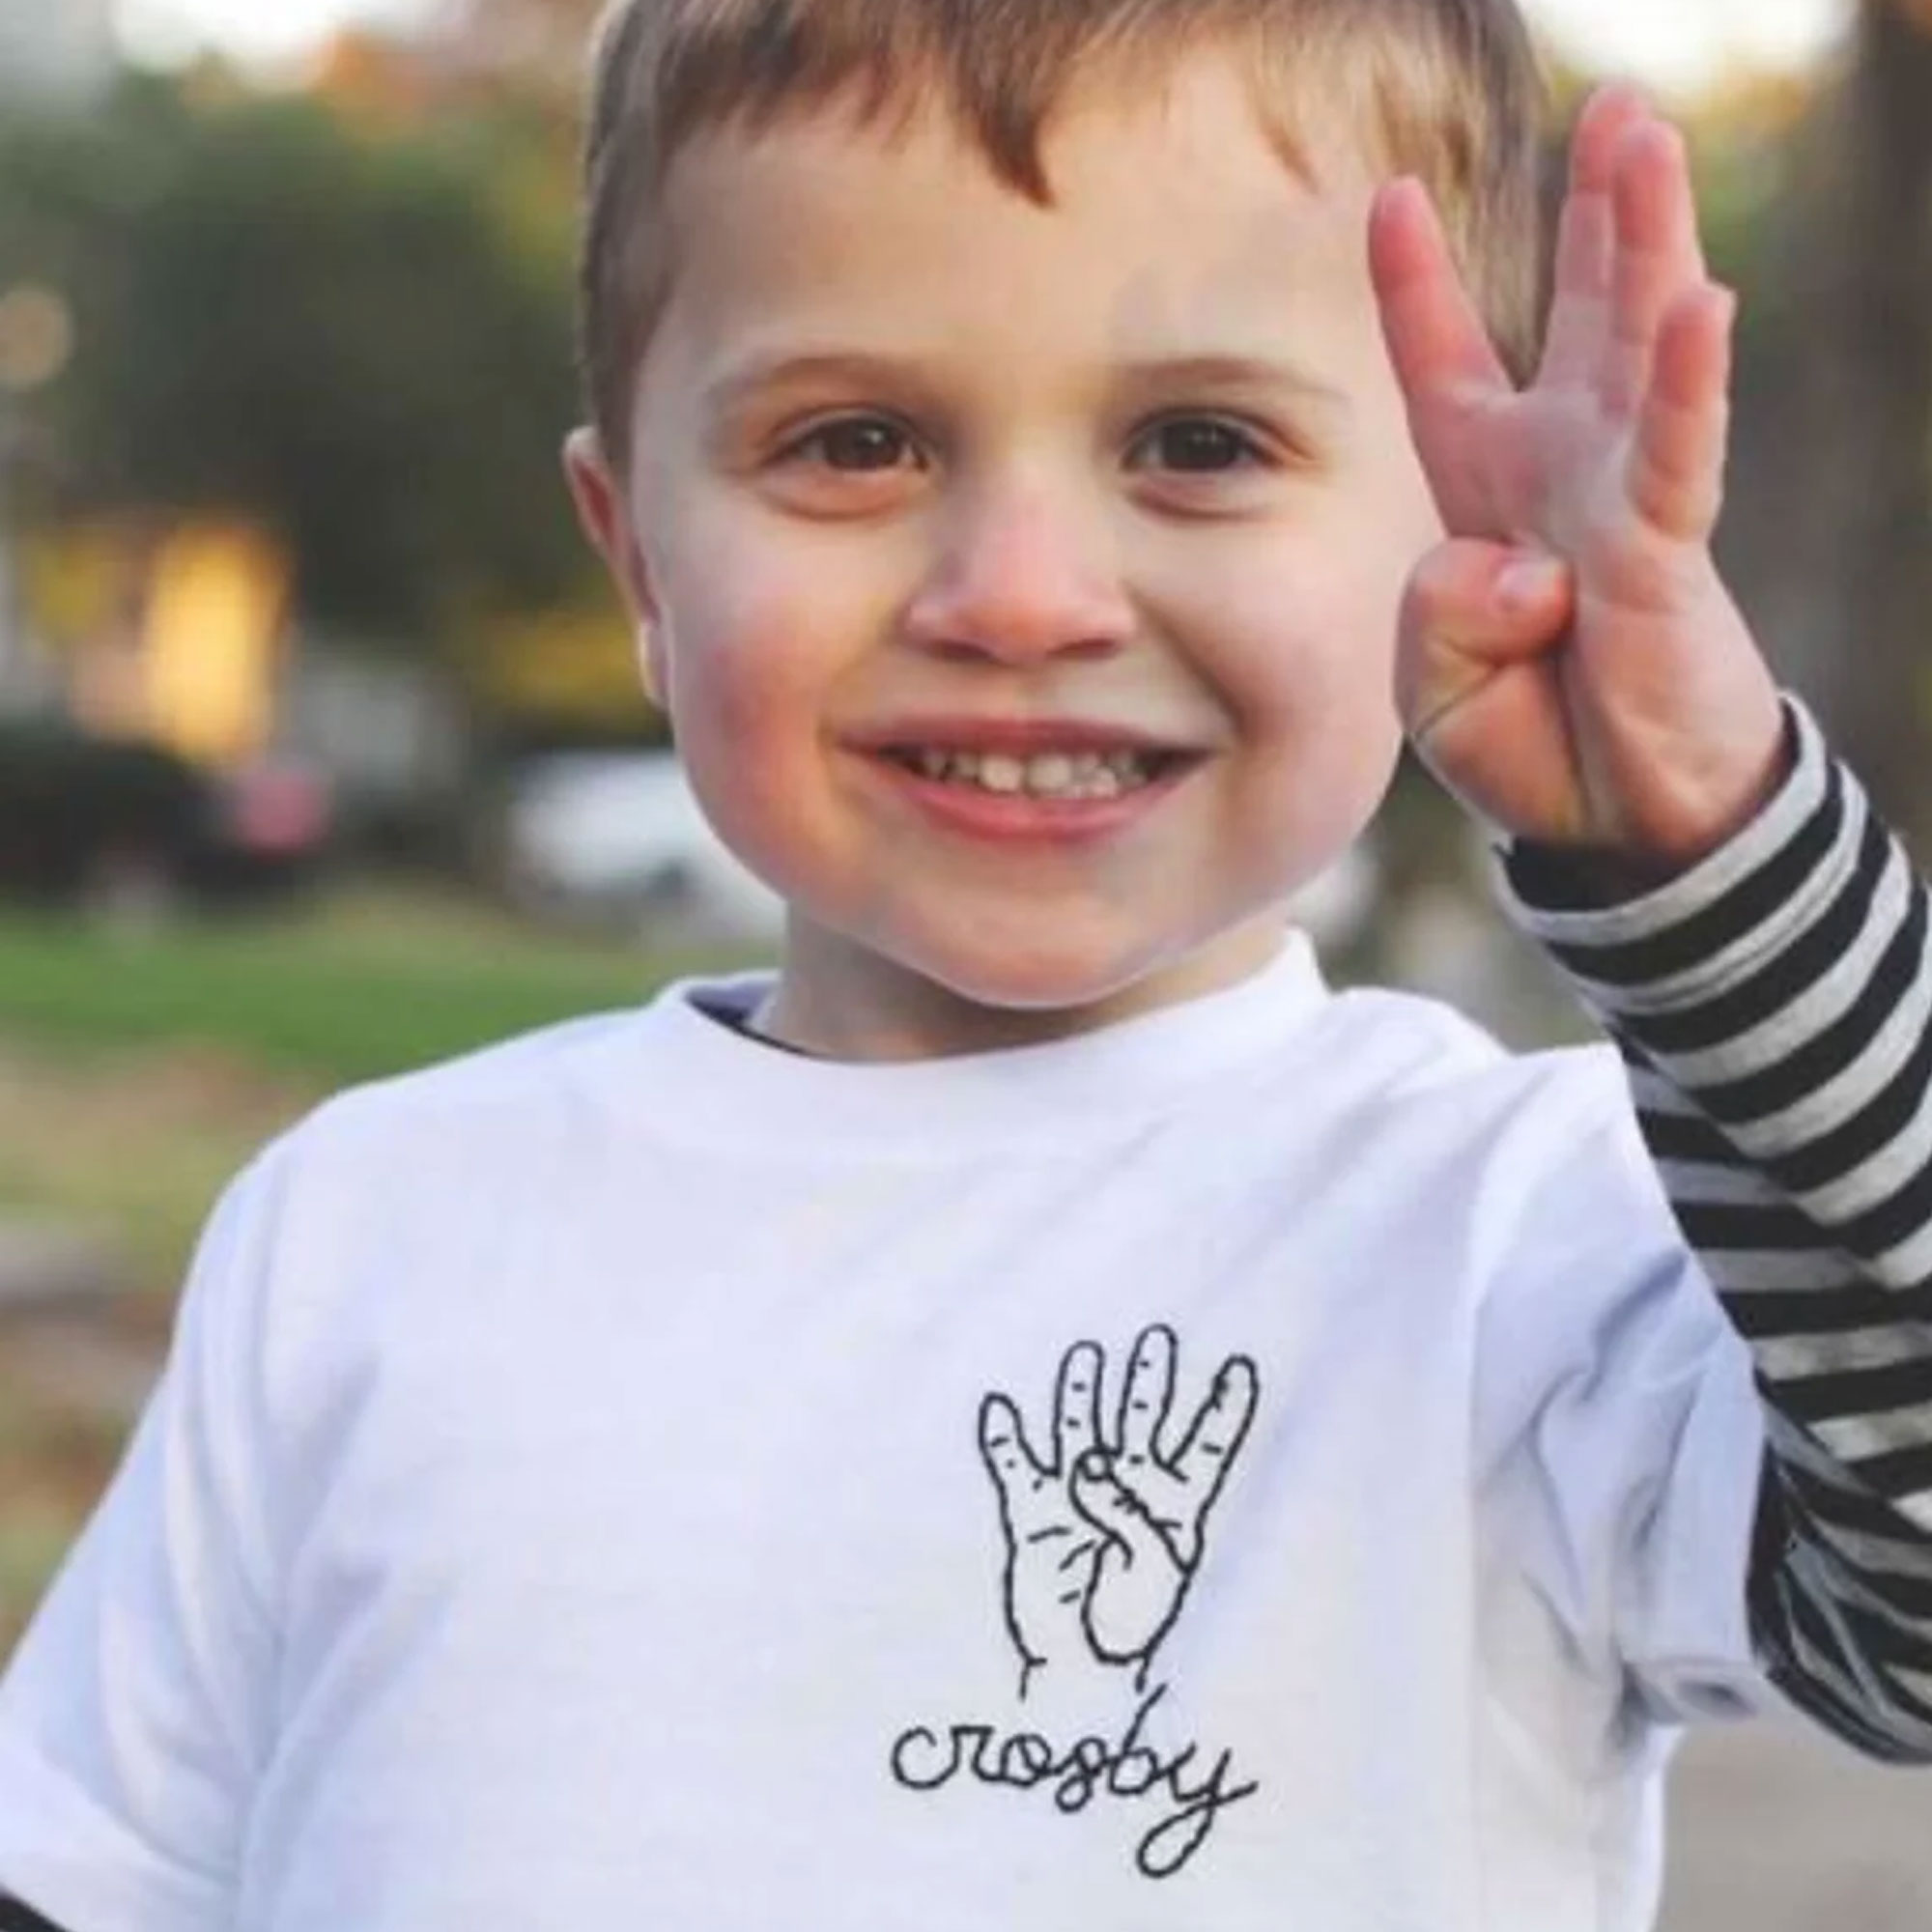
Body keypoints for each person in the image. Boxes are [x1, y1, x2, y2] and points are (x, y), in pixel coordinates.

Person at [0, 0, 1929, 1925]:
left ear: (1455, 529)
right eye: (856, 442)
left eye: (1198, 443)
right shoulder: (364, 1228)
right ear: (641, 560)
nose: (1019, 595)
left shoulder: (1534, 1240)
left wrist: (1711, 847)